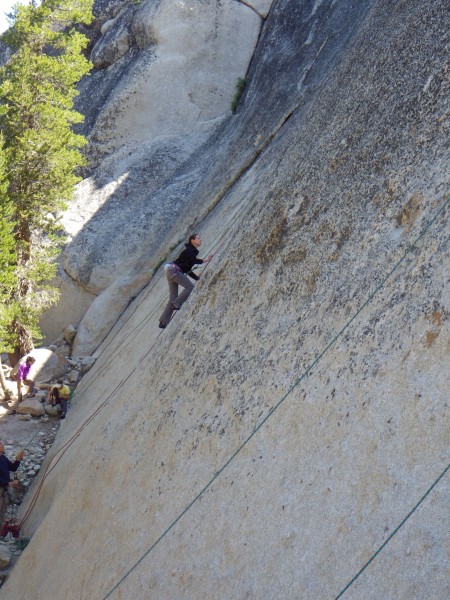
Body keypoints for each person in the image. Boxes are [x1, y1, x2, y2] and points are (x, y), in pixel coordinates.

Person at [159, 233, 213, 329]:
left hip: (171, 270)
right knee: (189, 287)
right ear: (192, 240)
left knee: (172, 298)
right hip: (173, 270)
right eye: (198, 238)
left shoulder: (191, 251)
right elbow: (193, 261)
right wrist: (205, 260)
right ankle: (176, 303)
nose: (200, 240)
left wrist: (196, 277)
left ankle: (163, 321)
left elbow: (187, 268)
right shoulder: (190, 251)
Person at [0, 441, 24, 527]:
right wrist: (9, 483)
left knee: (2, 511)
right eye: (0, 443)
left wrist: (18, 459)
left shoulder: (3, 458)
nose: (2, 444)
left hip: (4, 488)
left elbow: (13, 468)